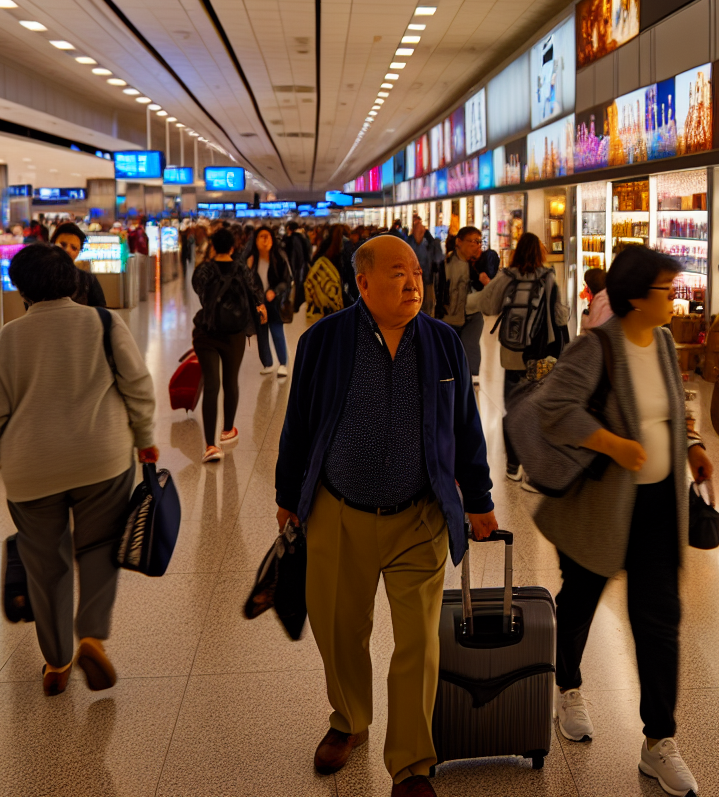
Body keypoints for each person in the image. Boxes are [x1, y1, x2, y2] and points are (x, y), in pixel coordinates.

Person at [274, 235, 498, 796]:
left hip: (418, 514)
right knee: (340, 630)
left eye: (417, 273)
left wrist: (480, 499)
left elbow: (466, 428)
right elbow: (298, 424)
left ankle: (413, 762)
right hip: (338, 512)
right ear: (363, 283)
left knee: (419, 641)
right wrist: (287, 496)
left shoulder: (444, 343)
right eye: (398, 273)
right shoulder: (323, 342)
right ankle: (349, 720)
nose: (413, 283)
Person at [534, 246, 711, 797]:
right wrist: (613, 443)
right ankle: (567, 687)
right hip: (599, 506)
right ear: (636, 297)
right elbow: (553, 408)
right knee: (581, 600)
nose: (675, 298)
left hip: (659, 503)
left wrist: (694, 442)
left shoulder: (659, 340)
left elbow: (674, 406)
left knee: (659, 620)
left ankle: (659, 742)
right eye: (666, 290)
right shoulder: (597, 347)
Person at [0, 244, 159, 696]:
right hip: (101, 458)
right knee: (98, 547)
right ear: (73, 281)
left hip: (32, 468)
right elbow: (137, 384)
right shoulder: (105, 323)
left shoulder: (8, 338)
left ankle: (56, 662)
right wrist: (145, 438)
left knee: (45, 563)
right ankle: (91, 635)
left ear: (20, 290)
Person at [471, 232, 568, 482]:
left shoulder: (507, 276)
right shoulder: (548, 277)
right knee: (536, 406)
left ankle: (513, 465)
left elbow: (488, 306)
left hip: (512, 352)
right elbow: (560, 317)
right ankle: (534, 467)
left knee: (512, 407)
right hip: (540, 352)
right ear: (540, 253)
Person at [191, 225, 266, 462]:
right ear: (233, 247)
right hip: (234, 334)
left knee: (211, 385)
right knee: (230, 380)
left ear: (213, 246)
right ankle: (228, 430)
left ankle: (211, 446)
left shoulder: (204, 270)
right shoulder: (242, 268)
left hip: (207, 332)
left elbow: (199, 291)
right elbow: (255, 292)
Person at [433, 226, 499, 382]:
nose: (477, 245)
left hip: (473, 316)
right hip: (450, 317)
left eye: (479, 241)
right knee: (449, 354)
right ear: (459, 242)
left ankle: (470, 380)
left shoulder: (482, 262)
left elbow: (489, 291)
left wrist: (485, 281)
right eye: (473, 241)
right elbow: (438, 291)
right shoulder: (446, 264)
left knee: (470, 351)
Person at [247, 224, 292, 377]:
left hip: (274, 301)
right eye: (261, 237)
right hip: (258, 302)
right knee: (261, 334)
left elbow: (286, 279)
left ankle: (283, 363)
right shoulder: (251, 259)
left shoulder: (279, 257)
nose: (265, 240)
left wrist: (275, 291)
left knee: (276, 331)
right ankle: (268, 363)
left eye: (267, 237)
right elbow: (247, 280)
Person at [50, 223, 110, 308]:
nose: (67, 250)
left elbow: (100, 313)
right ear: (52, 244)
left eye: (74, 248)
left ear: (78, 253)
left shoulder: (88, 281)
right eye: (63, 245)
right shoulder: (40, 277)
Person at [306, 225, 346, 319]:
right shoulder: (345, 246)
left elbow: (313, 260)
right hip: (338, 287)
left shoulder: (325, 244)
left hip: (323, 288)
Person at [409, 216, 444, 316]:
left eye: (421, 230)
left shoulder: (430, 243)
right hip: (414, 281)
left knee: (427, 306)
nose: (419, 233)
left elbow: (438, 259)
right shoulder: (409, 243)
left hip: (428, 281)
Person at [581, 267, 612, 331]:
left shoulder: (601, 301)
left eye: (587, 285)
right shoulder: (606, 297)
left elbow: (593, 328)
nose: (586, 288)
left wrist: (584, 319)